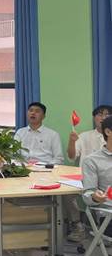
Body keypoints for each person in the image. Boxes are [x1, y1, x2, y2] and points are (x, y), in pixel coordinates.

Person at [14, 102, 83, 241]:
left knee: (68, 192)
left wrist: (42, 167)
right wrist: (21, 166)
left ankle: (76, 224)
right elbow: (12, 155)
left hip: (47, 172)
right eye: (31, 110)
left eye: (37, 111)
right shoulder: (20, 133)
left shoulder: (52, 134)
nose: (33, 113)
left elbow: (59, 159)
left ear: (43, 116)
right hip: (23, 171)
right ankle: (17, 225)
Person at [82, 116, 112, 236]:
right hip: (109, 215)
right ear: (108, 132)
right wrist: (95, 197)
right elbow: (88, 194)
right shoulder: (92, 160)